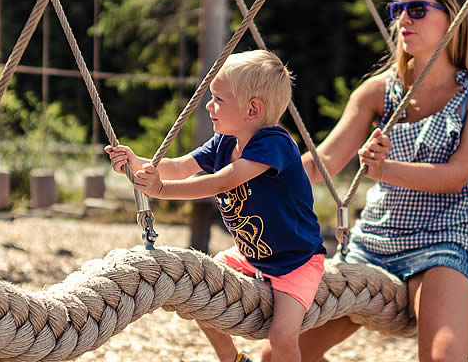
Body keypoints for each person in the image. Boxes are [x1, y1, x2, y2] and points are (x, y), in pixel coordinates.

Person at [263, 0, 468, 362]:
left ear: (455, 16)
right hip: (372, 245)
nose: (402, 20)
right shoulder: (378, 91)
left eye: (416, 9)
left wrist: (384, 170)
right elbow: (324, 161)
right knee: (276, 356)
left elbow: (458, 175)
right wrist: (254, 173)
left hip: (443, 243)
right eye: (398, 9)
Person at [105, 50, 327, 362]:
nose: (209, 106)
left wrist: (160, 190)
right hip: (252, 254)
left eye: (218, 99)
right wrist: (136, 163)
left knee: (282, 337)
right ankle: (231, 357)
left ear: (252, 109)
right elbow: (181, 166)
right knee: (202, 293)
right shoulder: (224, 140)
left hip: (296, 261)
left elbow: (223, 182)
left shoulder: (274, 145)